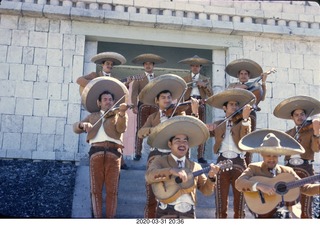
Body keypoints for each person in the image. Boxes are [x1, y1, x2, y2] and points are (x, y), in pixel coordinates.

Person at [137, 74, 201, 218]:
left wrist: (195, 111)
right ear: (157, 101)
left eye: (169, 98)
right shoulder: (152, 118)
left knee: (181, 191)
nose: (167, 100)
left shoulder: (179, 113)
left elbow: (192, 126)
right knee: (153, 195)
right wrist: (156, 130)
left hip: (176, 159)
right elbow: (141, 133)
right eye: (163, 98)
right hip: (157, 156)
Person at [73, 77, 130, 218]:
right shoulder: (92, 116)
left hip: (114, 152)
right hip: (96, 152)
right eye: (105, 99)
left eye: (110, 99)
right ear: (99, 103)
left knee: (112, 191)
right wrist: (82, 125)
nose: (108, 102)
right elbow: (75, 127)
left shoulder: (118, 115)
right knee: (95, 190)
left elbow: (121, 129)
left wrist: (122, 113)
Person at [145, 116, 221, 218]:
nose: (182, 144)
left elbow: (206, 191)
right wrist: (172, 171)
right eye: (177, 141)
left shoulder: (195, 166)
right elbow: (149, 176)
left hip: (188, 214)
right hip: (166, 213)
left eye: (185, 141)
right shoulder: (160, 161)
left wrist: (211, 177)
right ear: (169, 144)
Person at [235, 129, 320, 218]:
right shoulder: (254, 168)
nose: (271, 159)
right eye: (268, 155)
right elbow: (239, 183)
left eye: (274, 156)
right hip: (263, 211)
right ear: (262, 155)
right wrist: (259, 185)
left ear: (279, 156)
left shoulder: (288, 171)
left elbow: (305, 188)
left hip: (284, 214)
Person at [205, 88, 256, 218]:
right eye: (231, 105)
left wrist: (244, 119)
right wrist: (207, 127)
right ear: (224, 107)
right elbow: (203, 133)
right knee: (220, 201)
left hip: (238, 160)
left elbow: (246, 137)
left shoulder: (244, 122)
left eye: (236, 105)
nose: (234, 107)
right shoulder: (219, 124)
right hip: (221, 160)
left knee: (240, 202)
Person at [76, 51, 130, 170]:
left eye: (111, 65)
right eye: (107, 64)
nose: (109, 66)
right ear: (102, 65)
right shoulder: (95, 75)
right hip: (97, 107)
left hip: (110, 108)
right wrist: (93, 85)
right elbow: (79, 80)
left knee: (116, 130)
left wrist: (127, 84)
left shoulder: (115, 79)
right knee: (96, 129)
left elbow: (121, 91)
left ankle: (121, 160)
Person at [273, 96, 320, 218]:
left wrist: (316, 133)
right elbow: (279, 152)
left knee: (306, 206)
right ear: (292, 118)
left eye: (302, 114)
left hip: (305, 168)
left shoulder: (311, 131)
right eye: (296, 115)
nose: (300, 117)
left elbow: (316, 149)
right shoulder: (288, 134)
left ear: (306, 116)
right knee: (288, 206)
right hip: (289, 169)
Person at [225, 58, 272, 166]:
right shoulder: (232, 85)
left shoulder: (255, 86)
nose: (243, 75)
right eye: (241, 73)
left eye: (246, 74)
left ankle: (246, 163)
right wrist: (242, 87)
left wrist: (263, 82)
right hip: (235, 114)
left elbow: (262, 97)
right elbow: (228, 93)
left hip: (250, 113)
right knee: (233, 136)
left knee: (248, 137)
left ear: (249, 76)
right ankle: (232, 160)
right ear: (238, 75)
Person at [131, 53, 167, 161]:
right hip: (143, 105)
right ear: (143, 66)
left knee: (157, 127)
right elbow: (134, 93)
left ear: (153, 66)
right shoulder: (139, 78)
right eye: (146, 64)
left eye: (150, 64)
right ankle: (137, 152)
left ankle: (156, 149)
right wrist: (134, 105)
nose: (148, 66)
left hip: (155, 106)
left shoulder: (159, 78)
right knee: (141, 128)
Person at [178, 55, 214, 164]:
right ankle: (186, 154)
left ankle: (200, 155)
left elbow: (211, 94)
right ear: (190, 67)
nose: (195, 68)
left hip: (200, 103)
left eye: (197, 66)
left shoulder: (205, 79)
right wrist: (188, 86)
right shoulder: (184, 79)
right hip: (188, 103)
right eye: (193, 66)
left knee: (201, 129)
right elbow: (180, 93)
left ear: (200, 67)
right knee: (186, 129)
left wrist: (203, 86)